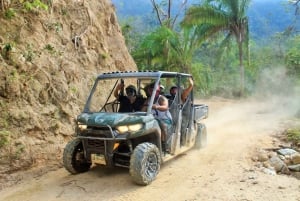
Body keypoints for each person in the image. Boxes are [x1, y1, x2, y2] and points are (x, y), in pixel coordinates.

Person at [142, 82, 173, 153]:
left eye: (153, 90)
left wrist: (156, 106)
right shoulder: (148, 99)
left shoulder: (162, 98)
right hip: (153, 119)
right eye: (150, 91)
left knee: (162, 126)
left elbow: (165, 107)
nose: (151, 92)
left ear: (157, 91)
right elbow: (142, 110)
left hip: (165, 119)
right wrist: (145, 107)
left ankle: (164, 146)